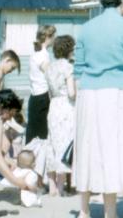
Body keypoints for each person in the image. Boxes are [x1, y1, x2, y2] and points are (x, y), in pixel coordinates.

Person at [73, 0, 123, 218]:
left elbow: (78, 70)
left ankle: (83, 210)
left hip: (88, 94)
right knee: (112, 152)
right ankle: (109, 212)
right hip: (116, 94)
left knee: (87, 149)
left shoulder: (85, 28)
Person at [45, 35, 76, 196]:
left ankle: (51, 187)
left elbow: (50, 92)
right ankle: (61, 187)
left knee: (52, 144)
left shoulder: (50, 67)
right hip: (66, 106)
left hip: (54, 105)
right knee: (65, 144)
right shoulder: (68, 67)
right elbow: (71, 93)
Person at [26, 25, 56, 144]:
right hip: (42, 96)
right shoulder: (43, 55)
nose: (54, 39)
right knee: (41, 133)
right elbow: (50, 76)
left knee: (32, 130)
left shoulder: (35, 52)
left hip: (34, 96)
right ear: (48, 37)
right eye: (53, 36)